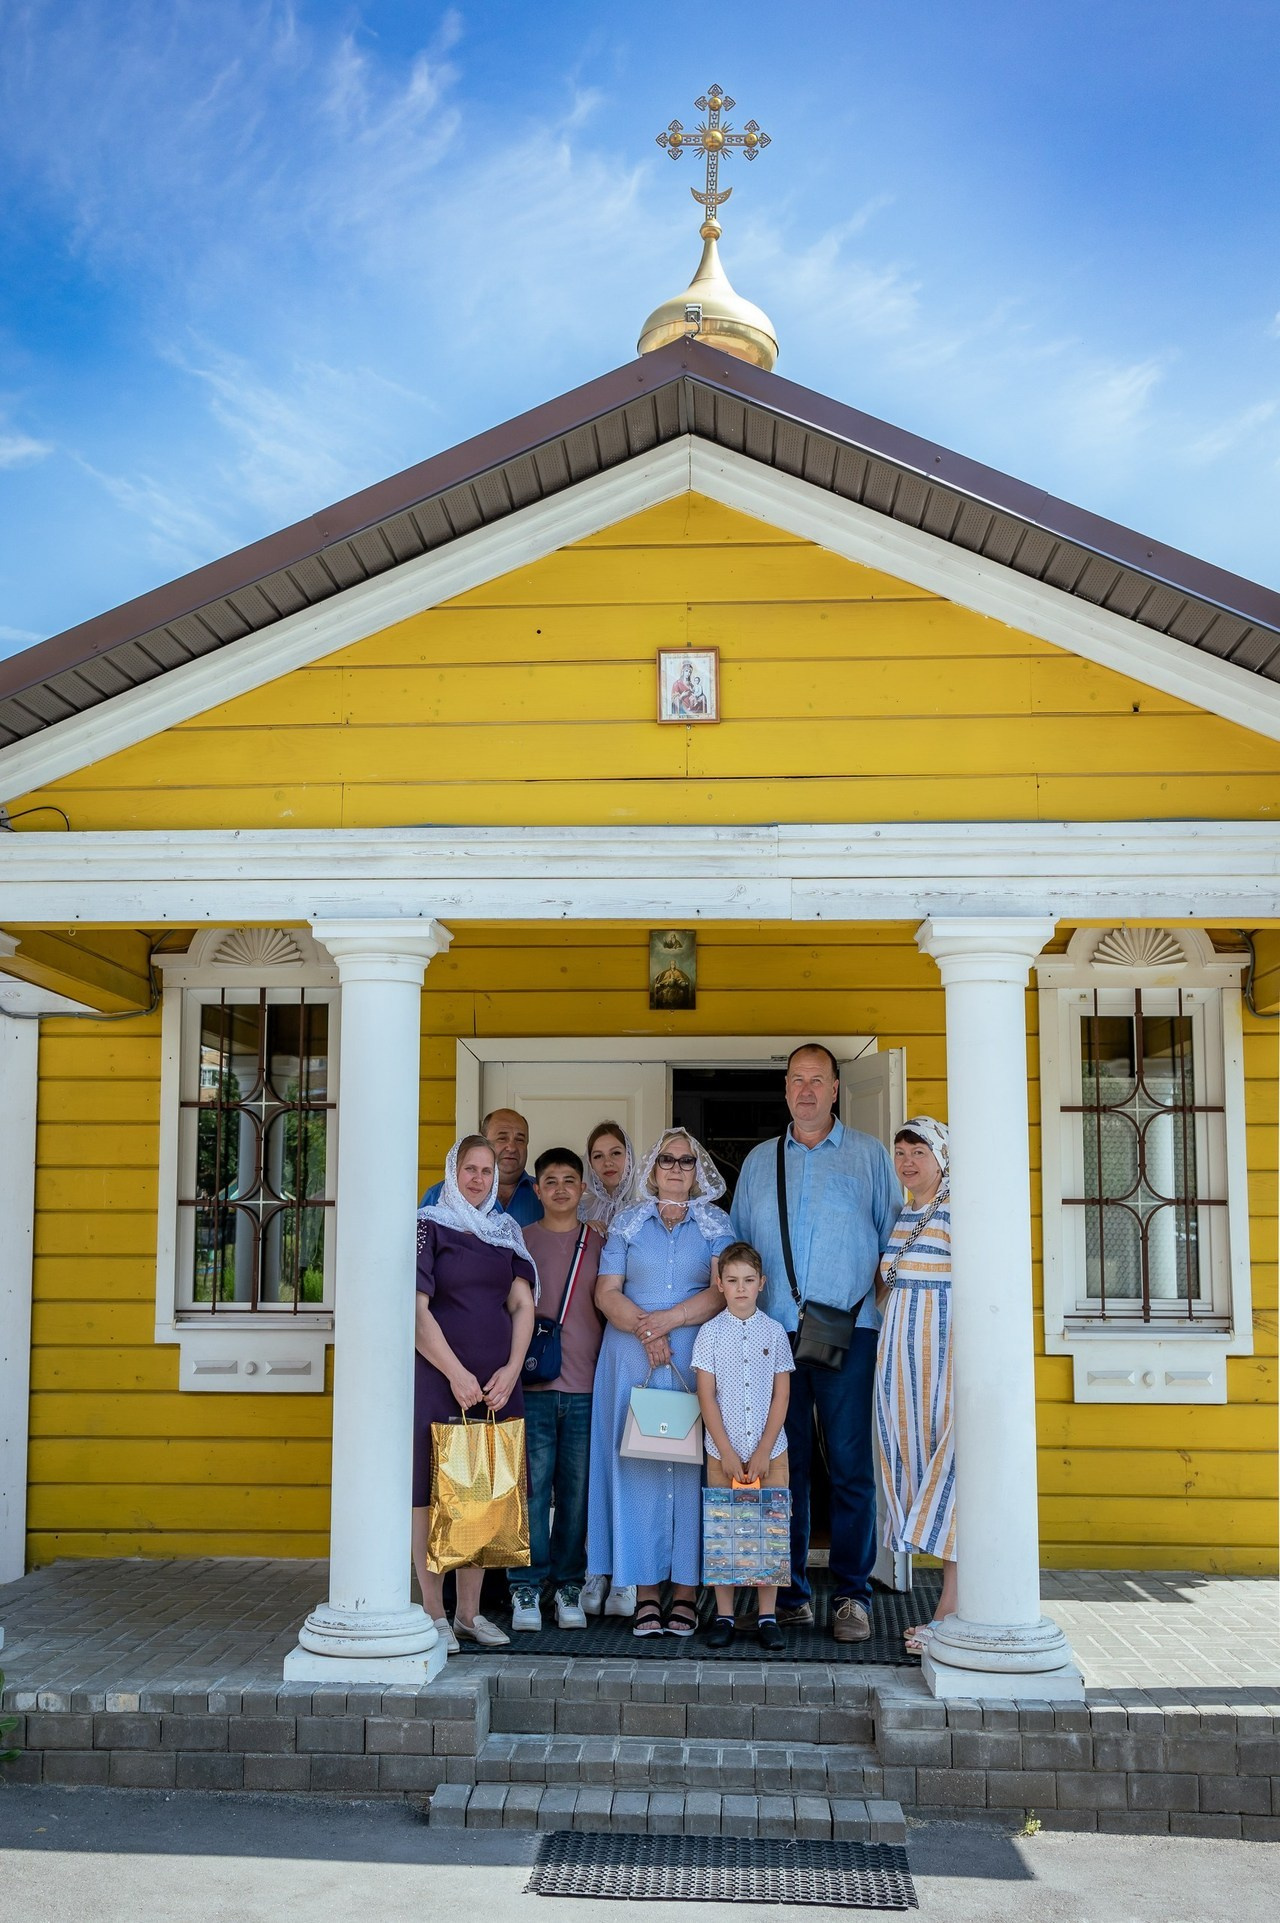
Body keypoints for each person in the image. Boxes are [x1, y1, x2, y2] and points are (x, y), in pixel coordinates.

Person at [730, 1043, 900, 1644]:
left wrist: (870, 1312)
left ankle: (853, 1594)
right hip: (773, 1340)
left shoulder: (869, 1157)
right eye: (796, 1080)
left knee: (851, 1468)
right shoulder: (757, 1163)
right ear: (785, 1091)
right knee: (784, 1465)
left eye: (817, 1080)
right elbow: (738, 1254)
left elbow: (894, 1246)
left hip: (849, 1335)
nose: (806, 1091)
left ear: (835, 1090)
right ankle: (791, 1594)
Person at [587, 1128, 733, 1639]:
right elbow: (607, 1292)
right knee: (642, 1469)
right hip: (632, 1358)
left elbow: (721, 1293)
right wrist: (646, 1328)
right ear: (651, 1168)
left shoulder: (716, 1224)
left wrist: (666, 1322)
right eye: (667, 1160)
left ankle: (688, 1596)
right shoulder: (627, 1223)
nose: (676, 1168)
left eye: (686, 1161)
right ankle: (646, 1593)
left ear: (698, 1171)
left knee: (691, 1469)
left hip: (694, 1359)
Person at [412, 1135, 537, 1651]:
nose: (479, 1178)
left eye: (487, 1171)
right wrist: (455, 1374)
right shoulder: (428, 1225)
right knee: (432, 1496)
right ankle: (434, 1614)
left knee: (486, 1495)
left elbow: (523, 1306)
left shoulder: (503, 1233)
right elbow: (415, 1311)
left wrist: (510, 1370)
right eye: (470, 1168)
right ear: (453, 1171)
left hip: (495, 1386)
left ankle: (469, 1615)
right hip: (440, 1379)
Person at [508, 1147, 604, 1634]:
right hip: (534, 1386)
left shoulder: (601, 1242)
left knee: (576, 1493)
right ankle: (525, 1584)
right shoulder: (518, 1242)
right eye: (551, 1180)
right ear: (537, 1188)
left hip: (588, 1388)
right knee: (530, 1490)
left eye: (570, 1180)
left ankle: (568, 1584)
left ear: (583, 1188)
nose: (561, 1188)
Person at [875, 1118, 956, 1654]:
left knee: (955, 1471)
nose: (907, 1161)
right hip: (901, 1371)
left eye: (918, 1152)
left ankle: (951, 1610)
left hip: (945, 1364)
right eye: (901, 1152)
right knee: (914, 1463)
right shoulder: (907, 1214)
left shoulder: (959, 1212)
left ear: (942, 1158)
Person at [692, 1240, 793, 1651]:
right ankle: (725, 1615)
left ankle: (767, 1615)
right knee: (724, 1528)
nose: (740, 1288)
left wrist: (766, 1448)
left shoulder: (774, 1332)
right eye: (732, 1280)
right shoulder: (709, 1334)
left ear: (761, 1284)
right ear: (719, 1284)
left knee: (770, 1527)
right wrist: (727, 1451)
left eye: (748, 1281)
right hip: (723, 1451)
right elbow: (706, 1396)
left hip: (771, 1450)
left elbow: (781, 1396)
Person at [420, 1109, 542, 1227]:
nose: (511, 1147)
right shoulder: (439, 1196)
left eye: (520, 1140)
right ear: (483, 1141)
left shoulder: (544, 1195)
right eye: (502, 1138)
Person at [579, 1121, 642, 1234]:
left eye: (616, 1153)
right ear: (590, 1163)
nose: (607, 1162)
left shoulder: (645, 1211)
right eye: (598, 1156)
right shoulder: (578, 1210)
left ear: (629, 1157)